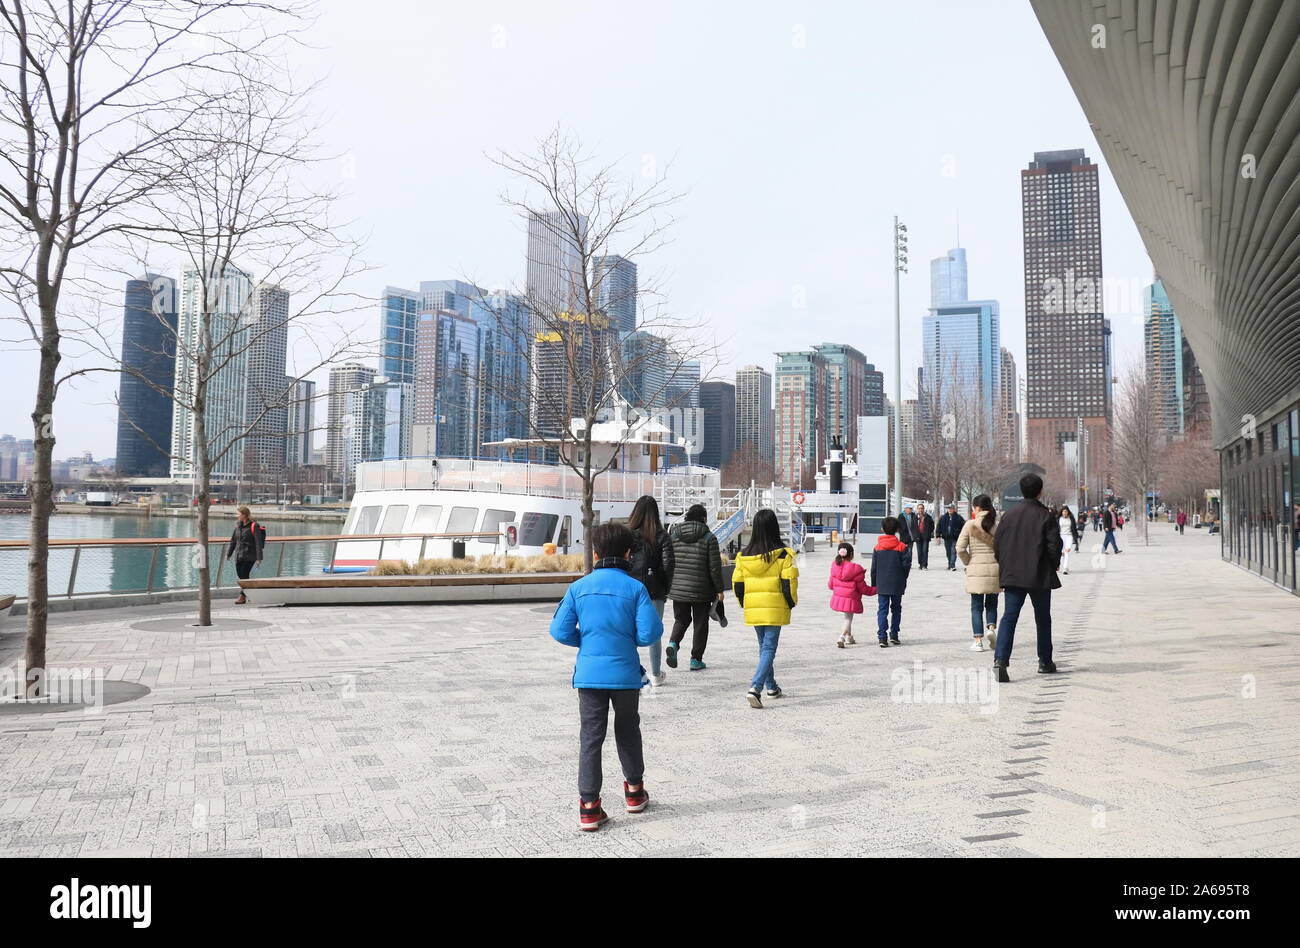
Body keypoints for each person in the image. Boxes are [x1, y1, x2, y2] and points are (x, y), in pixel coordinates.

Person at [550, 522, 663, 832]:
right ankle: (634, 793)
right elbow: (651, 632)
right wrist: (626, 640)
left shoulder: (579, 587)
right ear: (628, 552)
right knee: (628, 729)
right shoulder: (635, 588)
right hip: (625, 674)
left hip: (588, 675)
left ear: (596, 553)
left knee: (590, 737)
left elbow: (558, 630)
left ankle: (589, 807)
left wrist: (586, 641)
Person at [991, 474, 1062, 682]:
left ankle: (1000, 661)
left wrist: (1006, 564)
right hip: (1038, 575)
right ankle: (1044, 662)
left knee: (1009, 618)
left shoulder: (1008, 515)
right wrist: (1053, 563)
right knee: (1042, 618)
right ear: (1040, 491)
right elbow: (1053, 546)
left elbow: (997, 546)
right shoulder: (1045, 515)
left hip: (1013, 575)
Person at [732, 509, 799, 708]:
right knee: (768, 648)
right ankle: (756, 687)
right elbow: (790, 583)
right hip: (775, 607)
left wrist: (745, 604)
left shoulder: (744, 556)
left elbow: (738, 584)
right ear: (774, 528)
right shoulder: (783, 555)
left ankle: (772, 687)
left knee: (764, 648)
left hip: (754, 608)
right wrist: (790, 603)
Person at [665, 503, 724, 671]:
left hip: (678, 589)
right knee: (700, 624)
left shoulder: (674, 535)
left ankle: (673, 643)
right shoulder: (709, 537)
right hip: (701, 590)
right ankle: (695, 659)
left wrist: (670, 584)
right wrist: (719, 589)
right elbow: (714, 567)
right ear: (704, 518)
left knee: (681, 619)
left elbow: (668, 561)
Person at [626, 495, 675, 686]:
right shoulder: (662, 536)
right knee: (654, 632)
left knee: (629, 631)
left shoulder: (628, 536)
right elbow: (668, 565)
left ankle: (633, 671)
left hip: (629, 590)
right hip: (655, 591)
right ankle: (655, 674)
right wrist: (665, 588)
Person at [956, 494, 1000, 652]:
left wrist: (968, 561)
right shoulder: (997, 524)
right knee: (992, 603)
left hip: (975, 569)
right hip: (995, 569)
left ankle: (978, 641)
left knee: (976, 606)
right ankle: (991, 629)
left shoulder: (970, 524)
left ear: (978, 508)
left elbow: (960, 548)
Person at [870, 516, 911, 646]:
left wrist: (874, 583)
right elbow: (906, 565)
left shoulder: (877, 547)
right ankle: (894, 634)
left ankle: (882, 636)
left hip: (882, 583)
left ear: (882, 529)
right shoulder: (902, 547)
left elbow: (874, 568)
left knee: (882, 609)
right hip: (897, 582)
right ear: (897, 529)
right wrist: (903, 578)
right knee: (896, 608)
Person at [827, 541, 875, 648]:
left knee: (847, 617)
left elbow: (830, 585)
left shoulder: (835, 566)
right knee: (848, 618)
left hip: (838, 598)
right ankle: (842, 637)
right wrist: (876, 590)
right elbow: (863, 589)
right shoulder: (856, 569)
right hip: (851, 599)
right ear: (851, 555)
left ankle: (849, 637)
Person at [226, 506, 265, 605]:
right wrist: (229, 554)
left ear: (244, 515)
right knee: (241, 576)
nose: (237, 516)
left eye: (238, 514)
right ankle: (251, 594)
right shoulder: (238, 525)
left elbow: (258, 542)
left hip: (249, 555)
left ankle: (242, 596)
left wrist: (259, 558)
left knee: (244, 576)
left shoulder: (254, 525)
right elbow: (233, 541)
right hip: (238, 555)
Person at [937, 503, 965, 571]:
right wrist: (938, 536)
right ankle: (950, 564)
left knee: (953, 551)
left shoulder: (958, 517)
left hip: (955, 537)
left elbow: (964, 527)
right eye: (949, 508)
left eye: (951, 508)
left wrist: (959, 533)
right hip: (946, 537)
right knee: (948, 552)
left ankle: (952, 565)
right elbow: (939, 527)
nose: (950, 510)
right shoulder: (943, 517)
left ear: (954, 509)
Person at [912, 503, 936, 570]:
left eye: (922, 508)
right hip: (918, 537)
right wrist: (915, 535)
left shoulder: (928, 517)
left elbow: (932, 526)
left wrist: (929, 533)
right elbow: (913, 527)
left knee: (925, 551)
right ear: (917, 509)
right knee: (919, 552)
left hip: (925, 537)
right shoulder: (915, 517)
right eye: (919, 508)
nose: (920, 510)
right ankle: (920, 564)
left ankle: (925, 565)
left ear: (923, 509)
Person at [1058, 505, 1078, 574]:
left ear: (1068, 512)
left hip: (1069, 536)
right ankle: (1059, 565)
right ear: (1061, 512)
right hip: (1060, 536)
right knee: (1062, 553)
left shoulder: (1071, 518)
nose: (1065, 513)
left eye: (1066, 511)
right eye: (1063, 511)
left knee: (1067, 551)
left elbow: (1074, 528)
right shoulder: (1058, 519)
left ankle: (1065, 568)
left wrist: (1076, 537)